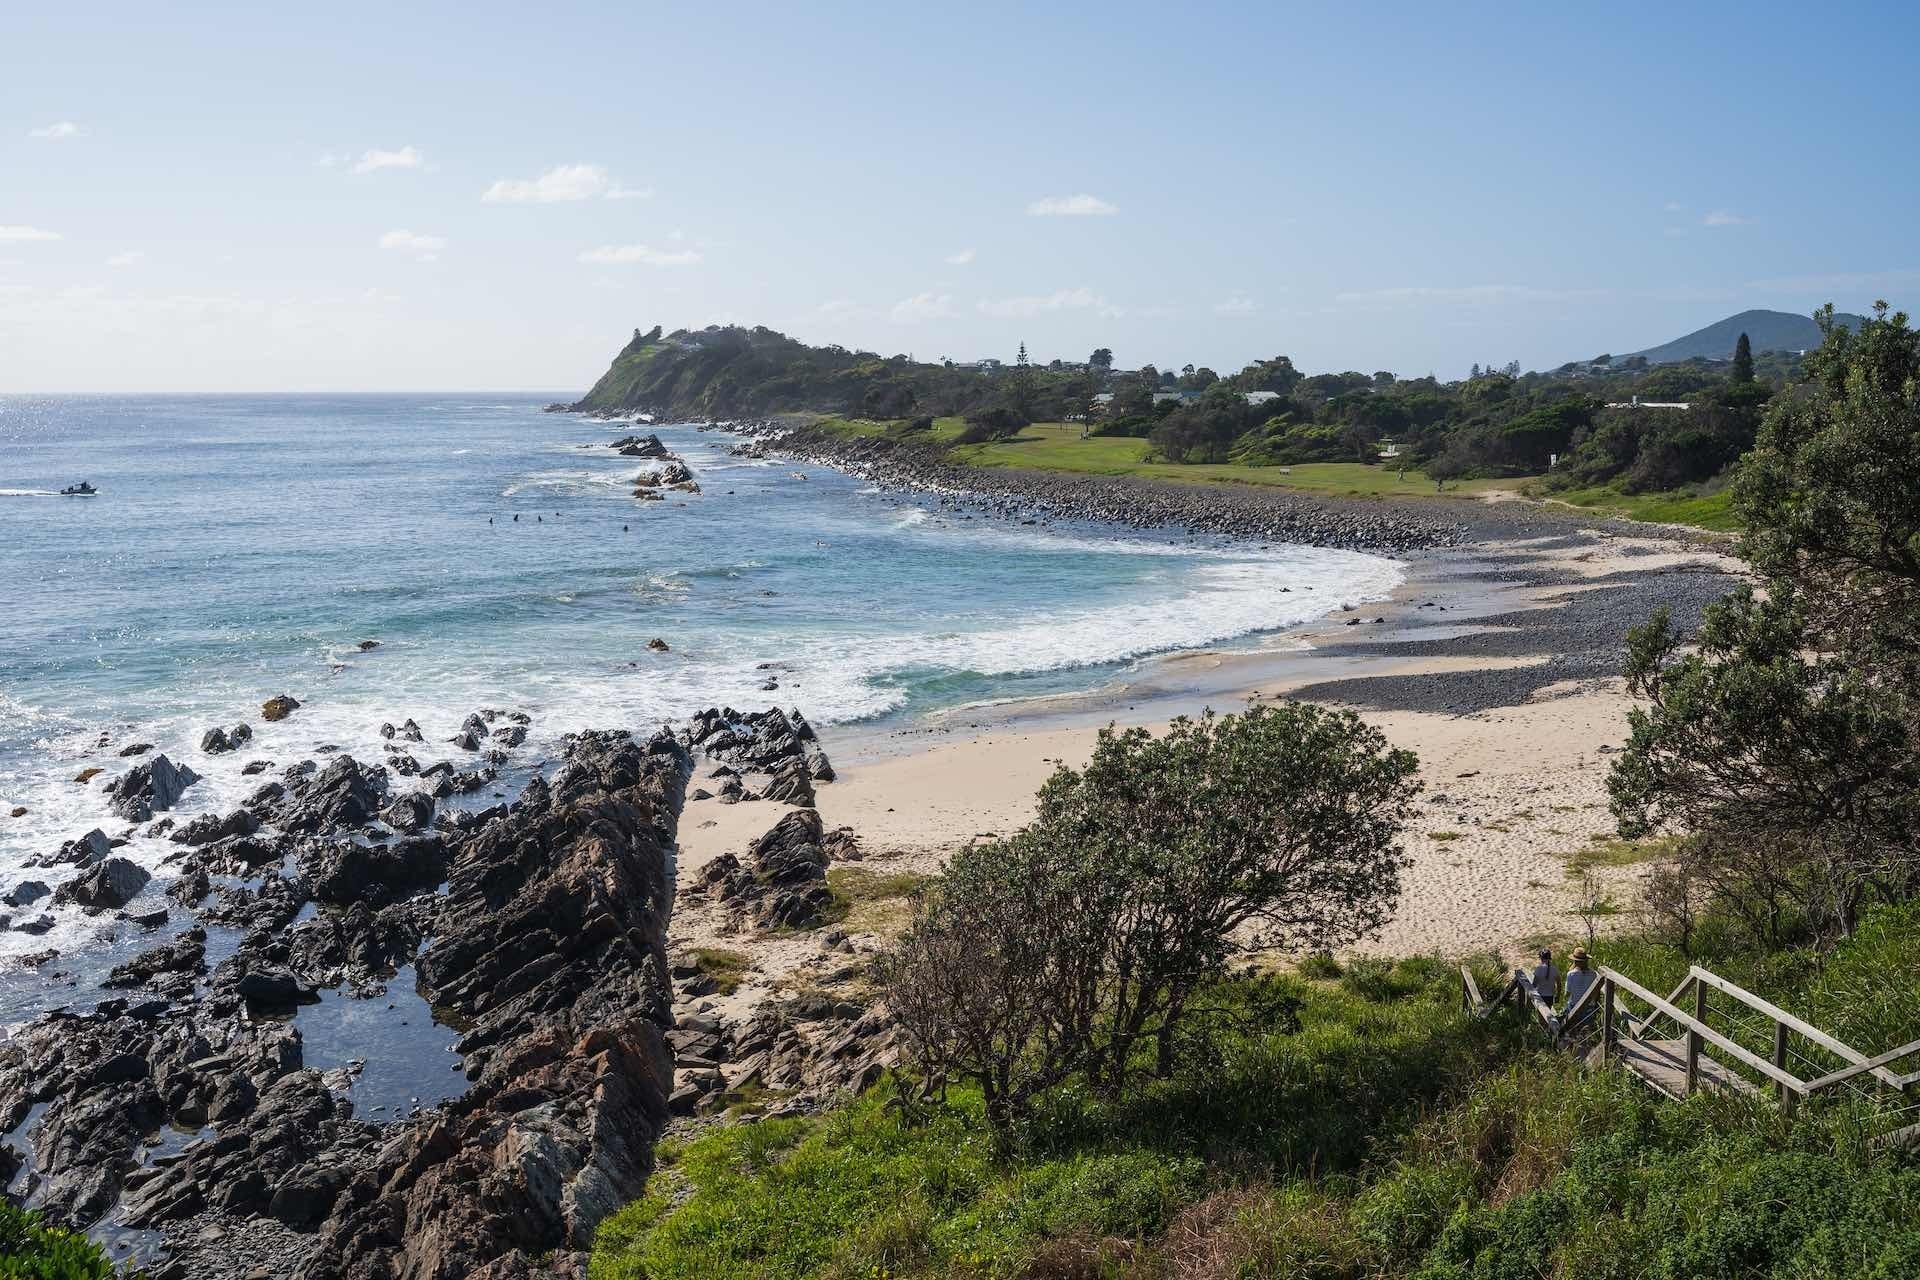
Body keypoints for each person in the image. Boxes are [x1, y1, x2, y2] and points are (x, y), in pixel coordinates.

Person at [1561, 947, 1596, 1020]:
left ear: (1575, 961)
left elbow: (1567, 993)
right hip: (1589, 1007)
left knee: (1566, 1009)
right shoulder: (1593, 974)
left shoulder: (1571, 974)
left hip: (1574, 1006)